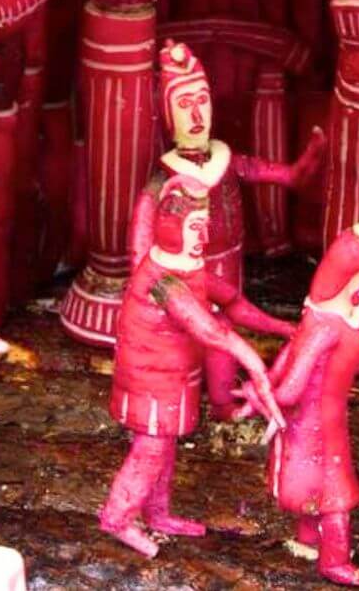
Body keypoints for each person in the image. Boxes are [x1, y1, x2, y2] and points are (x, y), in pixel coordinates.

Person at [127, 40, 324, 419]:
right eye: (184, 105)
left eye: (202, 100)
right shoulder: (163, 180)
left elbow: (281, 174)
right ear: (167, 115)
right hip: (182, 279)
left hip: (227, 263)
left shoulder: (226, 160)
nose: (196, 114)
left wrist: (303, 167)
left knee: (225, 324)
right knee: (192, 334)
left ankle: (222, 401)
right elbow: (140, 248)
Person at [101, 175, 284, 558]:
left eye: (204, 225)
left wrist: (283, 327)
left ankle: (158, 512)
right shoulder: (163, 280)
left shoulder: (183, 267)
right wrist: (255, 366)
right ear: (173, 228)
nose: (204, 235)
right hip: (150, 381)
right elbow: (210, 331)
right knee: (150, 448)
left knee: (163, 446)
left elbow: (231, 301)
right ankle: (117, 517)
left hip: (173, 379)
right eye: (196, 227)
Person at [258, 224, 359, 587]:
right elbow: (292, 387)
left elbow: (288, 356)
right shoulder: (327, 325)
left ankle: (309, 537)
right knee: (335, 493)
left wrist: (268, 385)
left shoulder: (325, 316)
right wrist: (268, 394)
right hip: (315, 423)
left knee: (315, 481)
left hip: (325, 417)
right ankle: (334, 560)